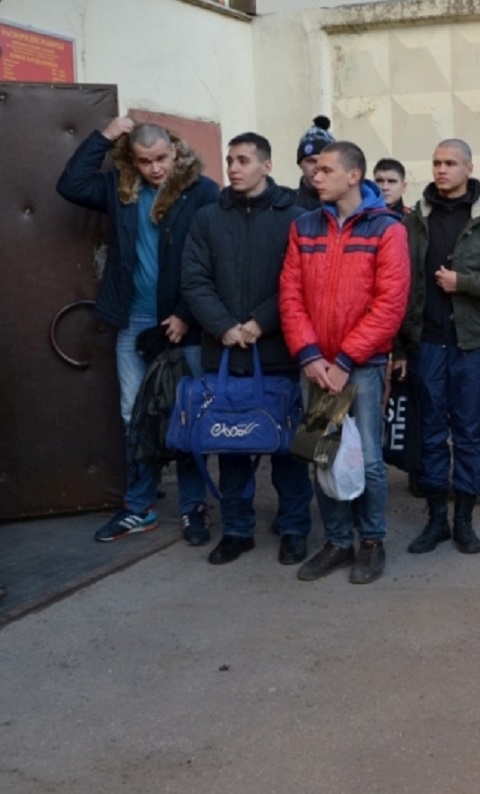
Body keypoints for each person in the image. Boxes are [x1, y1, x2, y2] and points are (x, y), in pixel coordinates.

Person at [57, 118, 219, 545]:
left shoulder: (200, 191)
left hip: (184, 323)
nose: (156, 169)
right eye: (145, 161)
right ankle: (139, 507)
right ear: (132, 158)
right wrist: (104, 136)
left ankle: (192, 508)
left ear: (175, 150)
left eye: (162, 158)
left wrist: (187, 313)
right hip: (133, 320)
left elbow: (211, 260)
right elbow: (70, 185)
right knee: (135, 417)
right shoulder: (119, 189)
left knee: (186, 417)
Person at [279, 141, 410, 584]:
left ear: (354, 176)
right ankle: (337, 541)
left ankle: (371, 541)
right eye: (314, 169)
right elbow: (291, 296)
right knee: (320, 454)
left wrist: (347, 359)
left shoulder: (387, 229)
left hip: (363, 367)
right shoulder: (304, 227)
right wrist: (311, 355)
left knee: (370, 459)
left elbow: (390, 303)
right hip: (315, 366)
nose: (315, 176)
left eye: (326, 169)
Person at [181, 132, 314, 567]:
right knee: (232, 445)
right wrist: (224, 327)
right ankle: (237, 531)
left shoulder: (297, 217)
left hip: (280, 352)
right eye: (230, 160)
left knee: (289, 450)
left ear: (267, 166)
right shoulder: (207, 218)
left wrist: (261, 322)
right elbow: (194, 281)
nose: (234, 168)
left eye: (243, 160)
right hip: (224, 356)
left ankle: (294, 528)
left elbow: (300, 281)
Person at [398, 139, 480, 556]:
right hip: (427, 343)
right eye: (436, 162)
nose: (441, 170)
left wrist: (464, 283)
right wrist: (400, 347)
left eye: (450, 163)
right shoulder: (415, 220)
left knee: (469, 433)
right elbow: (401, 287)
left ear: (469, 168)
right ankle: (436, 519)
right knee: (432, 433)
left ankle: (465, 521)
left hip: (469, 344)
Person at [294, 116, 335, 211]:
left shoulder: (347, 207)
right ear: (300, 164)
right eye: (310, 161)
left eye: (324, 160)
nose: (317, 167)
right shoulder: (287, 206)